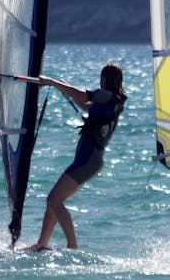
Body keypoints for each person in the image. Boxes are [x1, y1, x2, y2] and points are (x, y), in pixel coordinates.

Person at [22, 62, 126, 252]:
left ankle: (72, 246)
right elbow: (85, 105)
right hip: (89, 160)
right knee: (54, 199)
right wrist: (63, 87)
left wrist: (52, 82)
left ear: (105, 79)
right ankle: (41, 244)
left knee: (53, 200)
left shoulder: (108, 96)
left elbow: (82, 95)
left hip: (88, 160)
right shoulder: (111, 101)